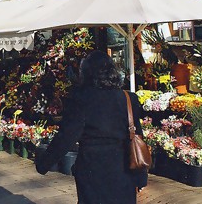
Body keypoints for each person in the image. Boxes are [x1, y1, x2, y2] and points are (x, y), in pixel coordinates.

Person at [35, 50, 148, 204]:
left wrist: (44, 163)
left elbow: (67, 136)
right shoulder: (128, 98)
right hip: (123, 172)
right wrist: (141, 177)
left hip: (93, 172)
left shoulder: (82, 99)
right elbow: (137, 137)